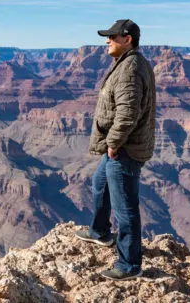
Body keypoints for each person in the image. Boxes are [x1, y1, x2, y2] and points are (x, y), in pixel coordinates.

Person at [75, 19, 157, 281]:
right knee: (100, 181)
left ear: (128, 39)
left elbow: (128, 112)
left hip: (125, 149)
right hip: (121, 146)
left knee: (125, 208)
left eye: (112, 36)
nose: (107, 41)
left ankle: (129, 265)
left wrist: (113, 143)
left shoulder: (130, 69)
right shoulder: (126, 63)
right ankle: (100, 231)